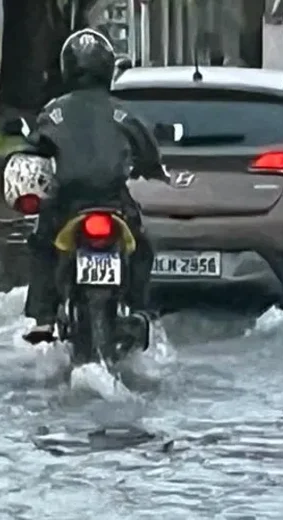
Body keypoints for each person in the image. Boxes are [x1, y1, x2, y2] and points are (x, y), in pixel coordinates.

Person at [21, 27, 169, 344]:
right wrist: (154, 170)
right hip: (113, 202)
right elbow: (149, 151)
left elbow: (34, 149)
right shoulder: (124, 112)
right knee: (142, 246)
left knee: (41, 245)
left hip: (67, 204)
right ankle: (142, 310)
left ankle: (43, 319)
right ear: (107, 68)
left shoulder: (53, 112)